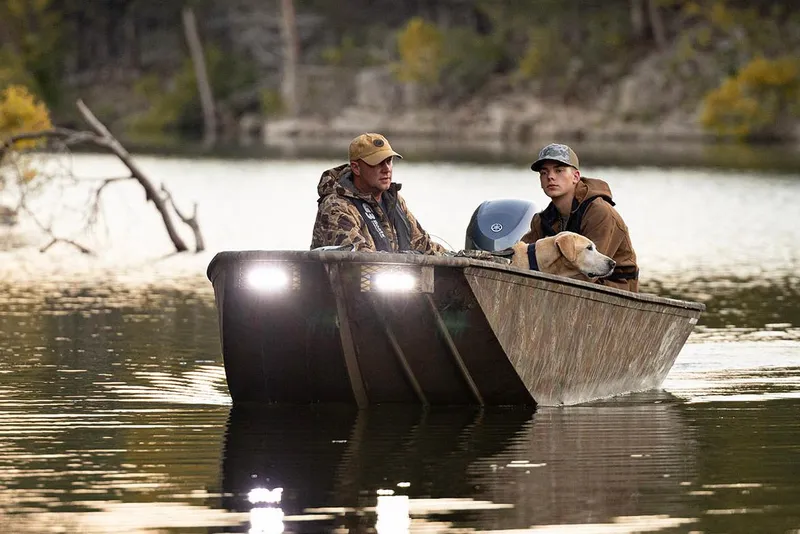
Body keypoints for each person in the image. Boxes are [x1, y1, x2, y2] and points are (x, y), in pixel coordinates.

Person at [518, 143, 639, 292]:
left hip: (613, 290)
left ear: (575, 177)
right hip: (567, 287)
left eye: (559, 170)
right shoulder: (542, 219)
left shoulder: (599, 212)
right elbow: (523, 257)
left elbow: (592, 271)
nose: (550, 177)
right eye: (544, 172)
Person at [311, 133, 447, 254]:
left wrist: (458, 257)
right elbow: (356, 258)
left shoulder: (394, 200)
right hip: (354, 282)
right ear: (356, 168)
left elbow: (424, 245)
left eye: (389, 161)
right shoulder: (336, 207)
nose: (386, 169)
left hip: (396, 279)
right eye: (378, 163)